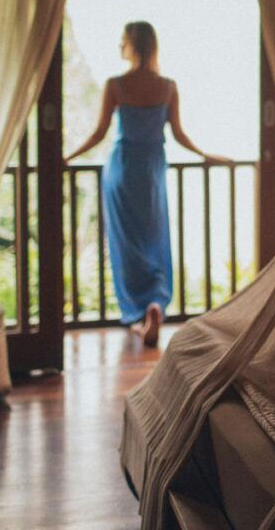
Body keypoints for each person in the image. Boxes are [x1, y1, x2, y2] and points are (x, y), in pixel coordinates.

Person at [65, 21, 229, 347]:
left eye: (123, 41)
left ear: (134, 45)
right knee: (154, 240)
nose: (119, 46)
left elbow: (99, 134)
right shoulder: (167, 87)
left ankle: (140, 313)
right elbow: (179, 135)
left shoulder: (116, 85)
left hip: (123, 170)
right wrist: (206, 155)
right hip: (152, 171)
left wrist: (67, 158)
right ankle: (155, 305)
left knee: (127, 245)